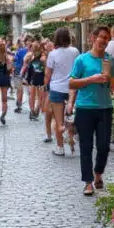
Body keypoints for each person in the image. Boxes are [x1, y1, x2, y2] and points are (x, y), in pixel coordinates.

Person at [69, 26, 114, 196]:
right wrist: (91, 79)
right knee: (86, 147)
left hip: (105, 107)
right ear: (93, 38)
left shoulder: (110, 60)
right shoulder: (82, 60)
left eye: (107, 38)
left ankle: (98, 173)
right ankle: (88, 182)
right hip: (85, 108)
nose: (104, 41)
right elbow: (71, 83)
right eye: (102, 37)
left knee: (104, 146)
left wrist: (113, 79)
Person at [44, 28, 79, 157]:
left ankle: (60, 147)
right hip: (72, 88)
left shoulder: (53, 54)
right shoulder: (75, 51)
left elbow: (48, 74)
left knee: (59, 120)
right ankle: (71, 135)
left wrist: (45, 85)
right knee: (71, 116)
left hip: (56, 89)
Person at [25, 42, 46, 121]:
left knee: (37, 94)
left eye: (36, 48)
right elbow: (25, 62)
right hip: (33, 76)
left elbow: (45, 65)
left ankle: (35, 109)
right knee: (33, 94)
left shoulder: (42, 56)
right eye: (34, 48)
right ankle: (33, 110)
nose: (34, 50)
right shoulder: (31, 55)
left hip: (39, 76)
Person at [12, 36, 31, 113]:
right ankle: (19, 105)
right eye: (28, 41)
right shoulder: (20, 51)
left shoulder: (35, 51)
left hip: (29, 73)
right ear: (25, 42)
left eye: (31, 41)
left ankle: (30, 107)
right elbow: (15, 60)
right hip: (18, 71)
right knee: (20, 90)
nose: (29, 42)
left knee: (29, 91)